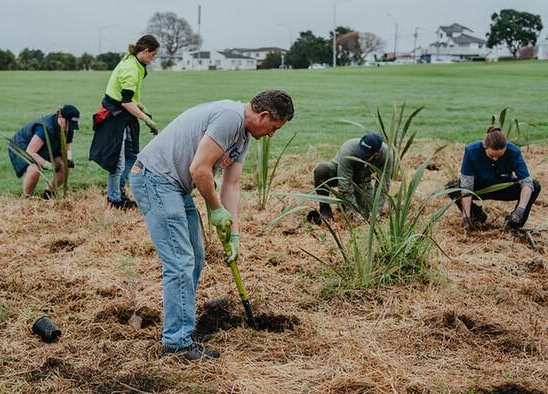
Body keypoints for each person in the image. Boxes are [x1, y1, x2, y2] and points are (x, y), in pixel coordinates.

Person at [129, 90, 294, 361]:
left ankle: (182, 329)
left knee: (194, 257)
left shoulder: (243, 136)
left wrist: (235, 235)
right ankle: (176, 344)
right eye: (273, 128)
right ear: (263, 115)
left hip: (175, 187)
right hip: (155, 179)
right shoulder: (230, 117)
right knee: (180, 262)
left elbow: (231, 185)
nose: (272, 134)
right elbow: (199, 169)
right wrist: (216, 210)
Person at [89, 35, 160, 210]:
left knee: (134, 155)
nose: (153, 59)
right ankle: (115, 200)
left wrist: (142, 109)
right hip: (115, 116)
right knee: (117, 162)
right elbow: (126, 102)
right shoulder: (131, 68)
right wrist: (147, 120)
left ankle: (118, 191)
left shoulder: (135, 62)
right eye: (153, 54)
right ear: (145, 51)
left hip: (124, 115)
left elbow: (132, 96)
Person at [446, 125, 540, 231]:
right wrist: (466, 217)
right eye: (492, 155)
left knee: (535, 186)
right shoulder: (471, 151)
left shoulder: (513, 151)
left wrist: (520, 210)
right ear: (484, 145)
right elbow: (466, 187)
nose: (495, 159)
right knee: (452, 186)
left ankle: (514, 224)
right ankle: (476, 216)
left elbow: (526, 182)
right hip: (481, 188)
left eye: (500, 156)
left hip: (504, 187)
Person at [313, 132, 393, 220]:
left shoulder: (386, 155)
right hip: (339, 174)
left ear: (377, 152)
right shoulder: (348, 149)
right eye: (360, 152)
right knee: (322, 169)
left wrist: (376, 211)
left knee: (365, 214)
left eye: (364, 155)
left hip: (362, 180)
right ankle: (325, 208)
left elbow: (383, 185)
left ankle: (343, 205)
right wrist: (354, 212)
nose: (360, 157)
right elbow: (345, 185)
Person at [8, 105, 80, 198]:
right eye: (68, 123)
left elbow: (67, 148)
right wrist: (47, 165)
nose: (70, 127)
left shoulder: (67, 127)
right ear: (60, 117)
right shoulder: (44, 128)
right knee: (34, 169)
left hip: (47, 146)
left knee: (65, 167)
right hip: (23, 147)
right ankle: (26, 197)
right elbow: (30, 152)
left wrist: (68, 160)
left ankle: (48, 194)